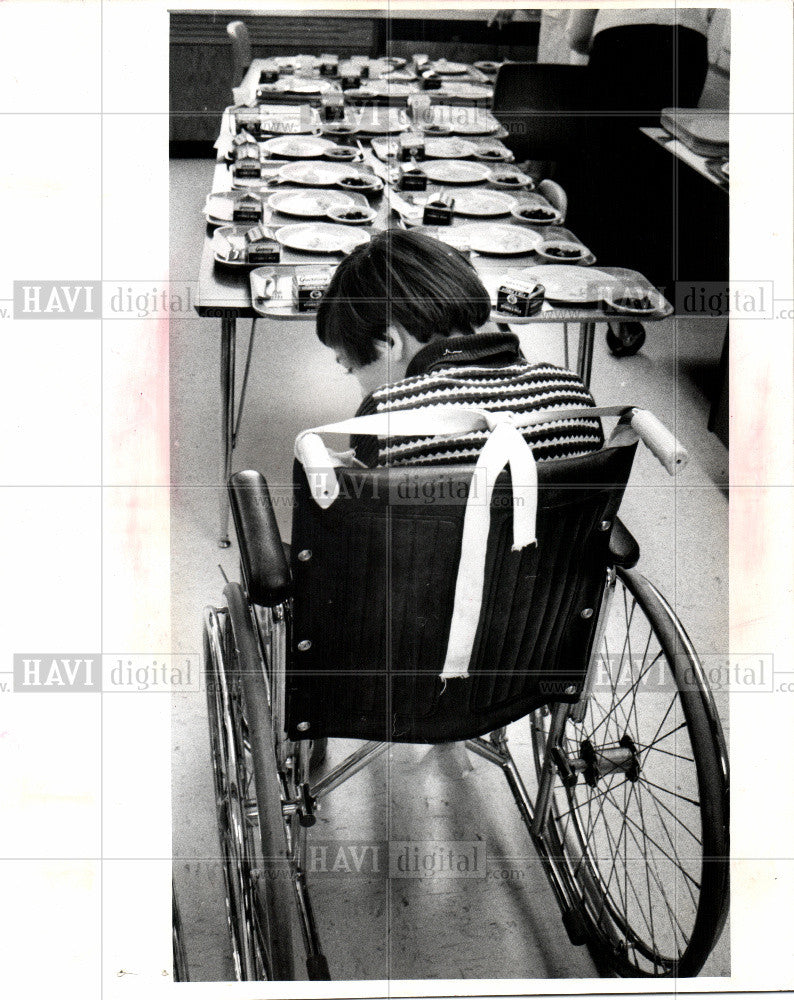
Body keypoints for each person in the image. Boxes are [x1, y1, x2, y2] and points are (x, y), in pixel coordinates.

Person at [315, 229, 603, 467]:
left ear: (390, 343)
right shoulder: (575, 395)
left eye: (351, 369)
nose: (362, 388)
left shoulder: (382, 419)